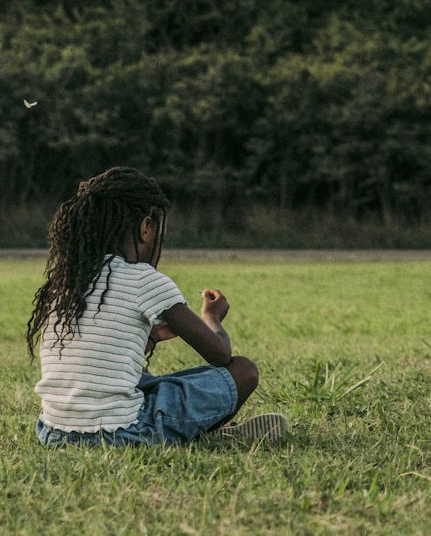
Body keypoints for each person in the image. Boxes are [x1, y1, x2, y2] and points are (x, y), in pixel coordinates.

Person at [27, 166, 289, 447]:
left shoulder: (67, 281)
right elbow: (221, 355)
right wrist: (212, 317)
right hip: (122, 434)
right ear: (146, 227)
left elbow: (107, 361)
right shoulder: (144, 279)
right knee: (244, 370)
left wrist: (151, 336)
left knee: (143, 379)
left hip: (53, 432)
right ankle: (201, 433)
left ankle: (197, 432)